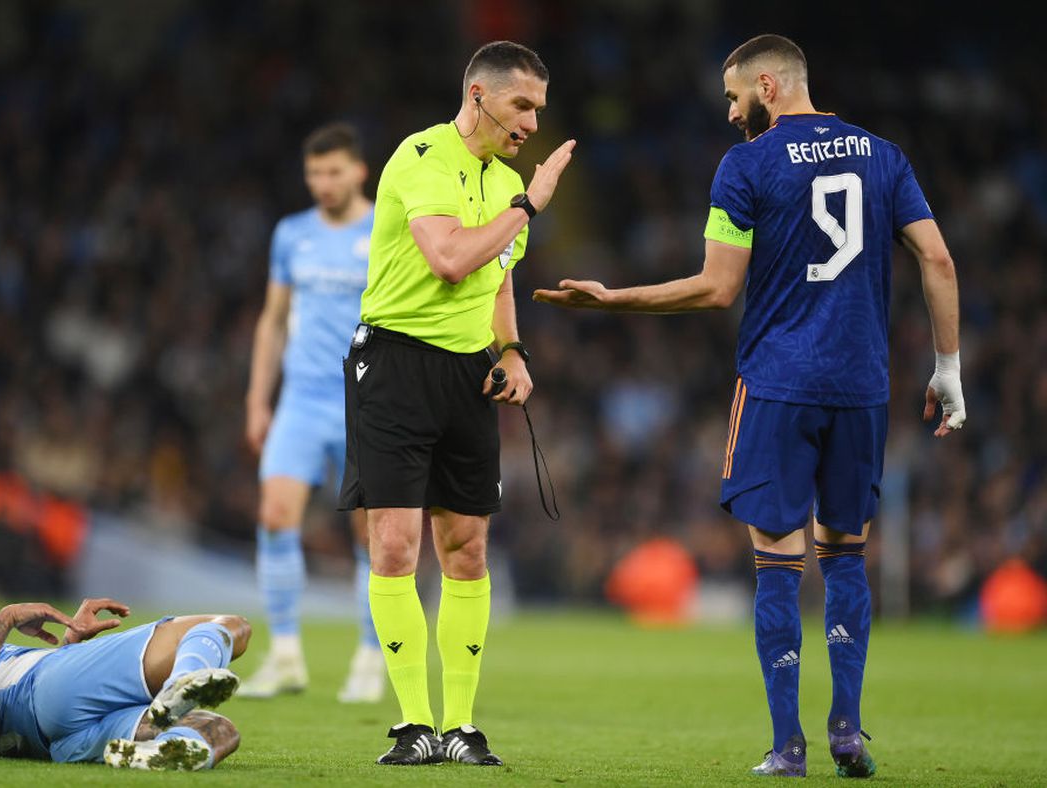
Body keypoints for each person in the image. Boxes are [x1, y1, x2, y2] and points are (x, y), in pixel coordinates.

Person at [533, 34, 964, 779]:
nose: (732, 112)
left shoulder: (747, 165)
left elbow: (716, 287)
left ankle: (787, 747)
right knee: (847, 557)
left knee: (777, 565)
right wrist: (949, 367)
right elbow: (938, 258)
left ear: (769, 84)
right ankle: (850, 733)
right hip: (861, 388)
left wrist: (615, 300)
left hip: (777, 386)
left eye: (735, 96)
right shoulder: (883, 155)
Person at [338, 40, 575, 766]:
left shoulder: (505, 186)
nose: (532, 122)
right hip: (395, 364)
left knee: (467, 549)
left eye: (538, 107)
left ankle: (463, 728)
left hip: (469, 375)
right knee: (394, 545)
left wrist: (511, 351)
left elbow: (497, 277)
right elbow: (449, 259)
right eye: (521, 104)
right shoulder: (423, 158)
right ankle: (414, 725)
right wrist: (529, 202)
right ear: (479, 94)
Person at [239, 122, 385, 703]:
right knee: (275, 516)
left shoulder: (387, 229)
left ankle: (373, 657)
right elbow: (273, 320)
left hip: (365, 399)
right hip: (300, 400)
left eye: (334, 172)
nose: (323, 183)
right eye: (314, 173)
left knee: (369, 537)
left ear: (359, 171)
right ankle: (285, 657)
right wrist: (257, 399)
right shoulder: (291, 234)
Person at [0, 597, 251, 771]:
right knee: (230, 626)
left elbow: (41, 704)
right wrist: (7, 617)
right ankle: (183, 681)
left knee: (216, 729)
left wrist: (70, 643)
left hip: (63, 741)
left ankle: (169, 751)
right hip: (46, 689)